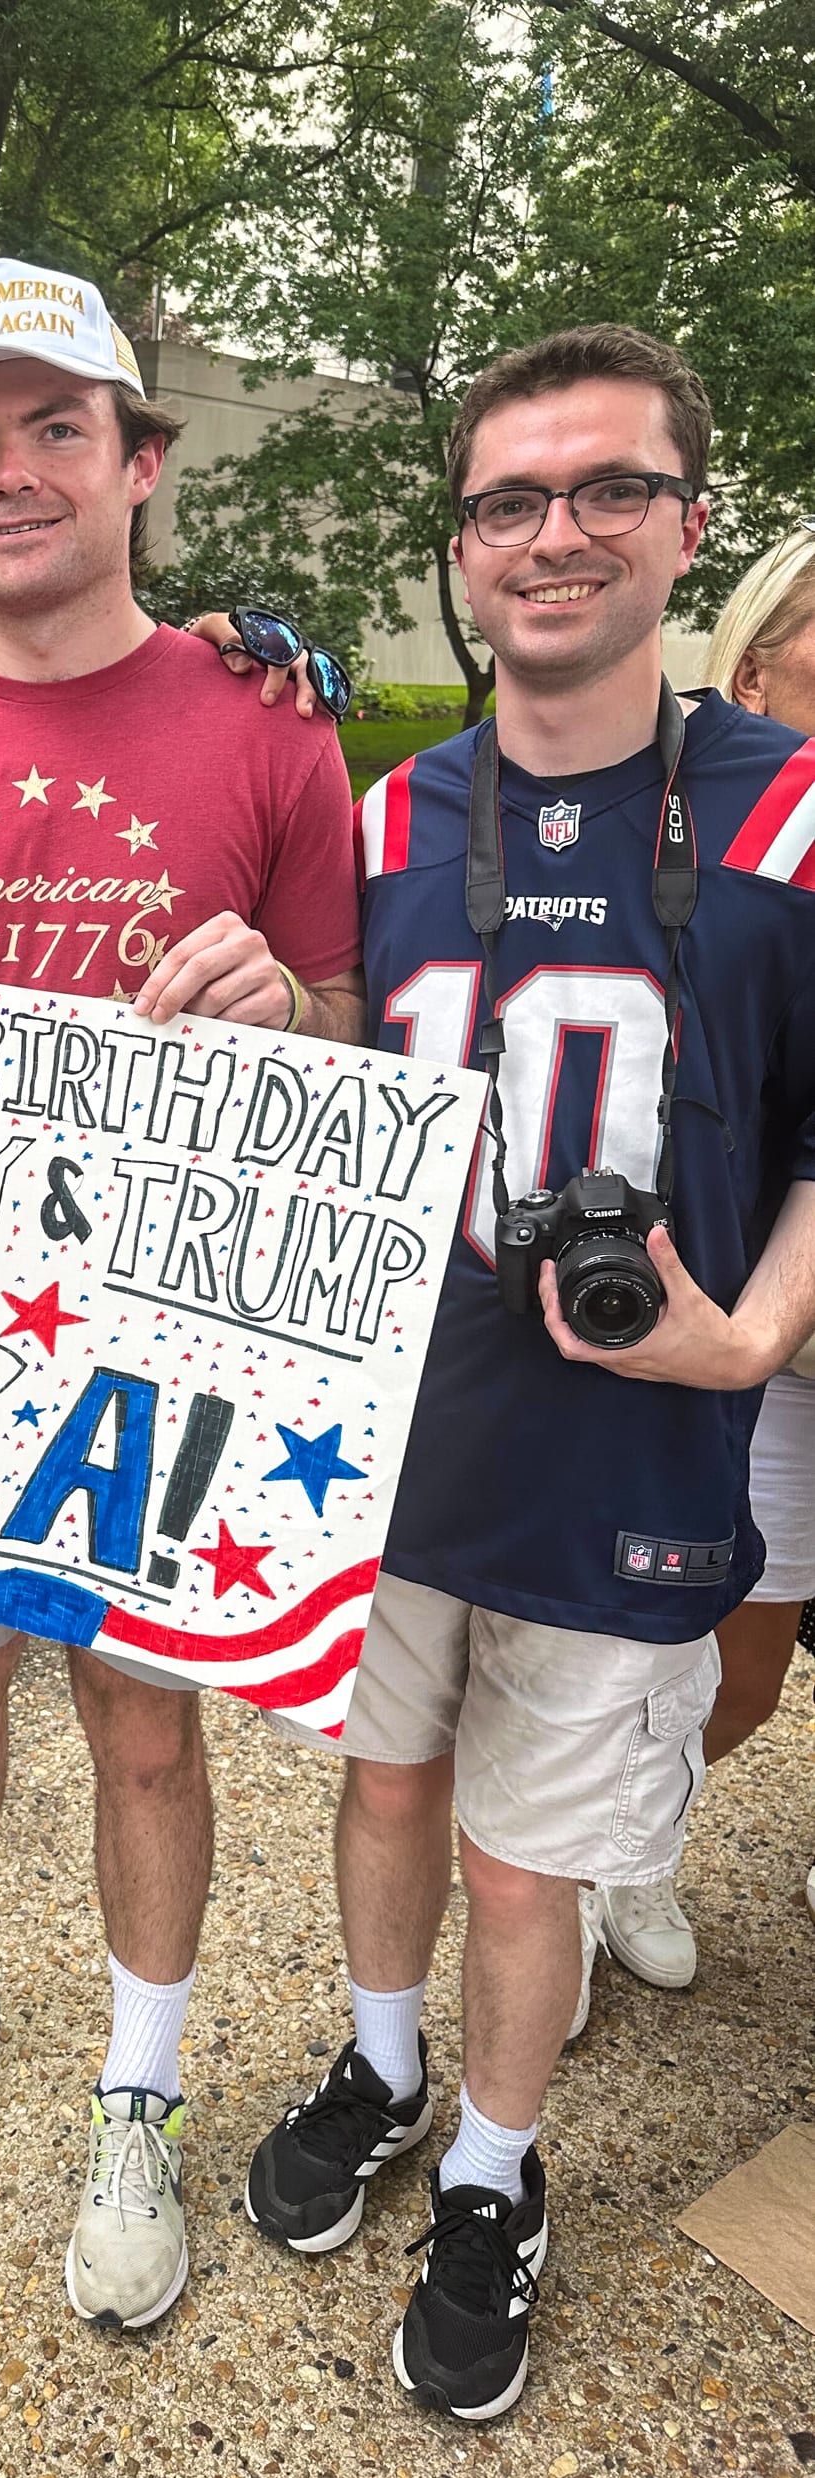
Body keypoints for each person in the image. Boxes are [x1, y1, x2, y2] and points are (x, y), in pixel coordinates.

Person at [243, 328, 815, 2422]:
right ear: (460, 551)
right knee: (382, 1780)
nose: (551, 532)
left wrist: (751, 1332)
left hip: (636, 1450)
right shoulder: (386, 809)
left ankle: (494, 2158)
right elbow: (322, 1092)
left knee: (523, 1854)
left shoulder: (790, 813)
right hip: (386, 1446)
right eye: (507, 499)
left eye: (600, 490)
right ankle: (381, 2061)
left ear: (684, 521)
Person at [0, 256, 364, 2331]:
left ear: (139, 462)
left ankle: (137, 2084)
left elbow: (340, 1035)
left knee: (142, 1725)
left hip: (158, 1339)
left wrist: (286, 1012)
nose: (11, 471)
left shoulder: (265, 726)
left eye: (57, 429)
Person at [590, 518, 815, 1984]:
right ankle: (620, 1851)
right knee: (736, 1634)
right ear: (755, 657)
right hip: (759, 1295)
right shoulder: (711, 817)